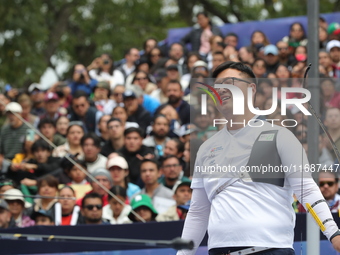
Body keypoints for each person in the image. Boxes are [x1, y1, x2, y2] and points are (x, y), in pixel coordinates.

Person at [178, 61, 340, 255]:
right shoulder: (205, 149)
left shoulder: (281, 136)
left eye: (229, 82)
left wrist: (334, 233)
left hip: (271, 249)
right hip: (219, 251)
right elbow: (198, 212)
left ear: (251, 89)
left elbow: (306, 191)